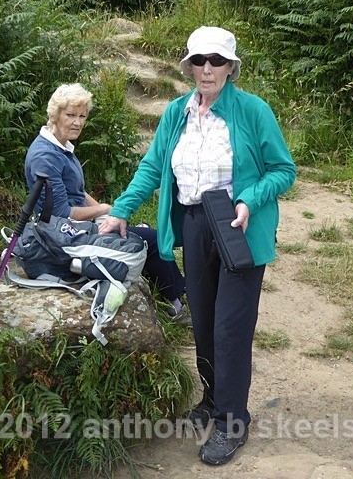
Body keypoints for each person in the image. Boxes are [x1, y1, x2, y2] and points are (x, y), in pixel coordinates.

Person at [99, 26, 296, 466]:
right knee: (203, 322)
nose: (207, 69)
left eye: (217, 60)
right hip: (193, 223)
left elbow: (284, 170)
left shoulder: (253, 111)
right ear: (189, 66)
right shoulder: (177, 113)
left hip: (238, 225)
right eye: (199, 61)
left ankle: (232, 421)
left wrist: (249, 199)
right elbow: (153, 167)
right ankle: (212, 398)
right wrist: (122, 209)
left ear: (230, 67)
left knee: (230, 329)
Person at [23, 83, 189, 322]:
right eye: (70, 115)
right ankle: (176, 303)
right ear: (55, 114)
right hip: (61, 235)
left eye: (82, 116)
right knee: (150, 240)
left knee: (137, 231)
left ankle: (179, 291)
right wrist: (104, 210)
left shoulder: (60, 146)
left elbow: (77, 192)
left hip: (75, 226)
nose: (77, 122)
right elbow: (61, 212)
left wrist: (107, 214)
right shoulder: (45, 156)